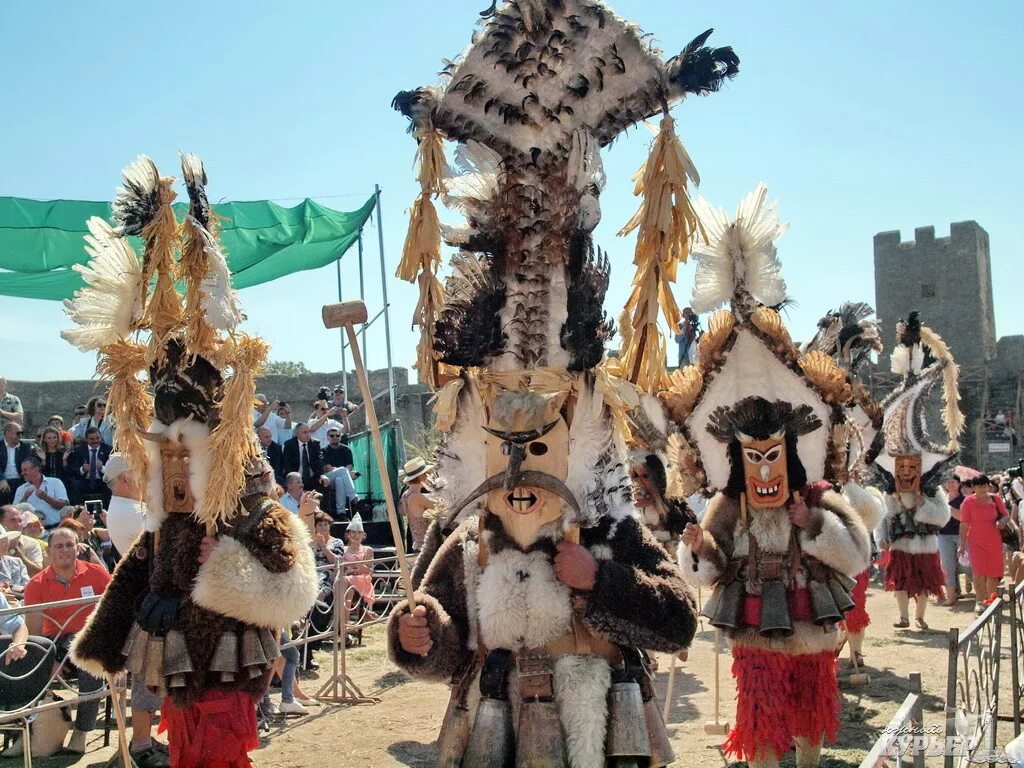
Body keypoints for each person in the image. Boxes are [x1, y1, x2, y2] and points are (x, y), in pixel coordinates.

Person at [66, 154, 320, 768]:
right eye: (166, 450)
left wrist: (227, 562)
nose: (175, 463)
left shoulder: (248, 506)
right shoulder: (168, 516)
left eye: (185, 450)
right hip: (179, 669)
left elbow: (295, 587)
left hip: (230, 667)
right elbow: (143, 561)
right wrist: (105, 640)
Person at [677, 186, 870, 768]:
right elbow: (707, 563)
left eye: (773, 455)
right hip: (754, 625)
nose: (764, 468)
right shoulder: (729, 503)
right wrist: (698, 550)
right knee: (759, 720)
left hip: (811, 621)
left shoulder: (819, 495)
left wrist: (811, 523)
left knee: (810, 717)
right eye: (752, 457)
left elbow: (857, 553)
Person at [874, 312, 959, 632]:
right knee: (899, 581)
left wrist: (920, 504)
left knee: (924, 581)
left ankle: (920, 615)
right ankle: (903, 616)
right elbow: (884, 516)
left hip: (923, 542)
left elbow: (941, 515)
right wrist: (882, 537)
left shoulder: (932, 491)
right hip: (899, 542)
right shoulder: (890, 493)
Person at [23, 527, 111, 754]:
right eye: (59, 546)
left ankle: (81, 732)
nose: (65, 551)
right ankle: (25, 734)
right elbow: (34, 635)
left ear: (78, 547)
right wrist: (48, 662)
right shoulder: (36, 583)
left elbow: (114, 610)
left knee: (91, 663)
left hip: (89, 639)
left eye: (69, 545)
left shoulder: (97, 574)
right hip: (56, 642)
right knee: (24, 662)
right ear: (49, 551)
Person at [959, 475, 1008, 613]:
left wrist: (1002, 521)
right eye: (978, 486)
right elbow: (964, 524)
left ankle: (991, 601)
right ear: (973, 487)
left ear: (988, 486)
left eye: (984, 485)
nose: (981, 489)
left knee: (993, 573)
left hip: (994, 540)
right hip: (976, 541)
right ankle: (979, 601)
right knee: (979, 572)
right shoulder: (968, 502)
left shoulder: (995, 499)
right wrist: (962, 544)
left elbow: (1005, 514)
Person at [938, 475, 971, 605]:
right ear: (944, 485)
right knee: (947, 566)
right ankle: (951, 596)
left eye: (954, 481)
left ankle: (981, 593)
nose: (951, 483)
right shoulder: (941, 500)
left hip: (961, 536)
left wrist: (949, 509)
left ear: (959, 484)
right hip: (943, 536)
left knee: (967, 565)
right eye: (948, 481)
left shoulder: (965, 501)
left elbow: (964, 518)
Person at [13, 457, 69, 529]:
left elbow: (63, 505)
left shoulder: (55, 482)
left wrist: (45, 497)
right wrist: (25, 498)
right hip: (33, 532)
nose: (22, 473)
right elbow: (15, 513)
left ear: (36, 469)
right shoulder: (21, 489)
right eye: (22, 470)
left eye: (25, 470)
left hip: (56, 528)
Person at [342, 514, 376, 623]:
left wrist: (359, 564)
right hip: (347, 581)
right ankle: (344, 623)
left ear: (363, 535)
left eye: (359, 533)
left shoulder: (367, 550)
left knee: (344, 583)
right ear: (348, 535)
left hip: (362, 580)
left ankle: (345, 623)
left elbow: (369, 571)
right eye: (353, 532)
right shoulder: (343, 549)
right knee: (348, 591)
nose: (356, 535)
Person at [69, 427, 112, 506]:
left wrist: (102, 468)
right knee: (75, 485)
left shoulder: (108, 450)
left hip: (102, 481)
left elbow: (113, 471)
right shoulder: (78, 450)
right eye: (92, 439)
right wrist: (82, 469)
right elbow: (72, 470)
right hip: (85, 481)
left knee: (109, 487)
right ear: (86, 439)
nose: (95, 441)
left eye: (98, 438)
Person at [397, 458, 433, 552]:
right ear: (421, 476)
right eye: (427, 473)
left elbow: (402, 511)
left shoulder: (406, 495)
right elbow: (442, 506)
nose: (429, 475)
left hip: (417, 544)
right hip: (426, 547)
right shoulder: (417, 497)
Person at [1, 505, 43, 575]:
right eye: (13, 520)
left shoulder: (32, 543)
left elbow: (37, 572)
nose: (18, 524)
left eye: (20, 521)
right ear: (1, 523)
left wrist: (15, 550)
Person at [282, 422, 324, 491]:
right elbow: (287, 464)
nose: (308, 435)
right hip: (296, 477)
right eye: (305, 432)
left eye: (309, 432)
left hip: (313, 477)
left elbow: (320, 460)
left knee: (325, 483)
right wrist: (294, 479)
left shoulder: (315, 443)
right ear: (297, 434)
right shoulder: (289, 445)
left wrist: (322, 475)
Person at [0, 422, 33, 506]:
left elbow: (27, 464)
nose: (20, 436)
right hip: (3, 480)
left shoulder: (25, 447)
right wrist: (2, 479)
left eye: (21, 433)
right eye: (18, 433)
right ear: (8, 433)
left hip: (20, 480)